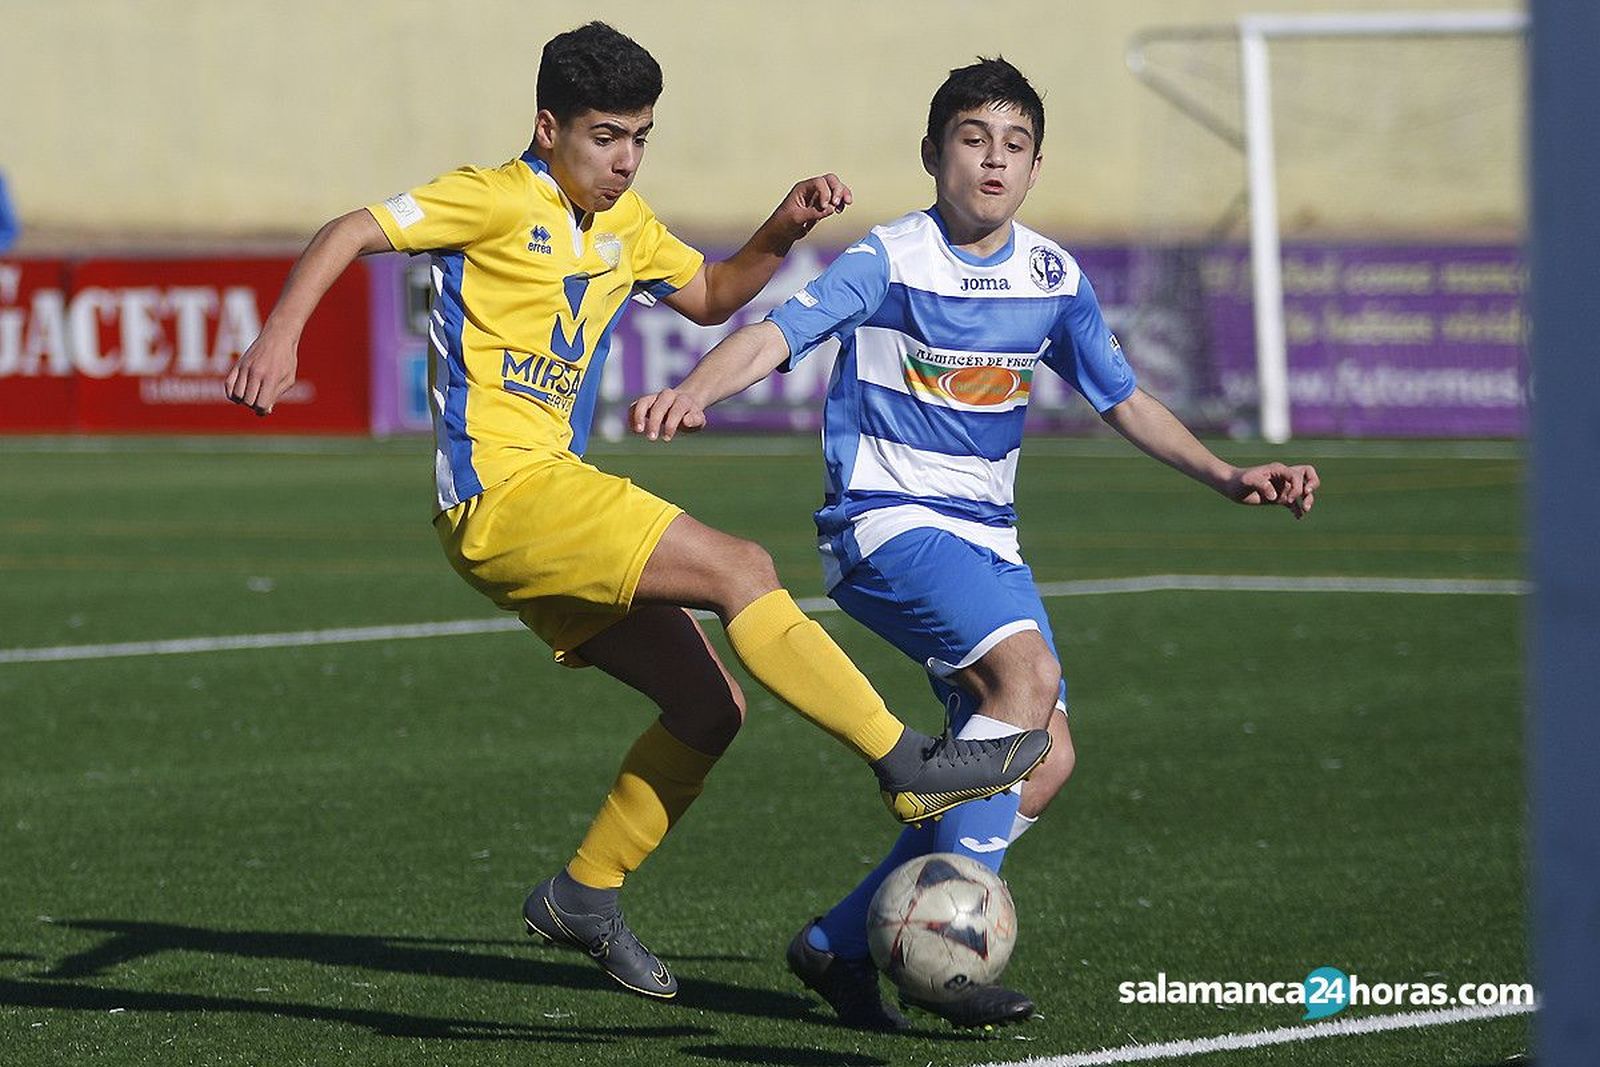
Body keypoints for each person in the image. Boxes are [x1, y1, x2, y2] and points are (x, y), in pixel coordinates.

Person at [223, 24, 1050, 1002]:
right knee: (741, 566)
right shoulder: (490, 197)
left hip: (542, 503)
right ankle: (905, 760)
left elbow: (708, 295)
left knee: (708, 707)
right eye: (607, 136)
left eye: (641, 138)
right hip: (507, 490)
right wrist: (280, 334)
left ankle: (584, 891)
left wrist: (778, 231)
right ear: (548, 126)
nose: (624, 160)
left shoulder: (625, 222)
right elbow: (349, 230)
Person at [629, 57, 1321, 1028]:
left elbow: (1122, 395)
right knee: (1025, 677)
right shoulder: (890, 257)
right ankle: (945, 951)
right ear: (933, 154)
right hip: (885, 522)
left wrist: (1226, 473)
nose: (993, 160)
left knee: (1042, 759)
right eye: (972, 139)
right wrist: (695, 389)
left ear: (1035, 167)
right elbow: (778, 332)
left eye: (1014, 144)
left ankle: (833, 943)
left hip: (987, 540)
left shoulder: (1052, 276)